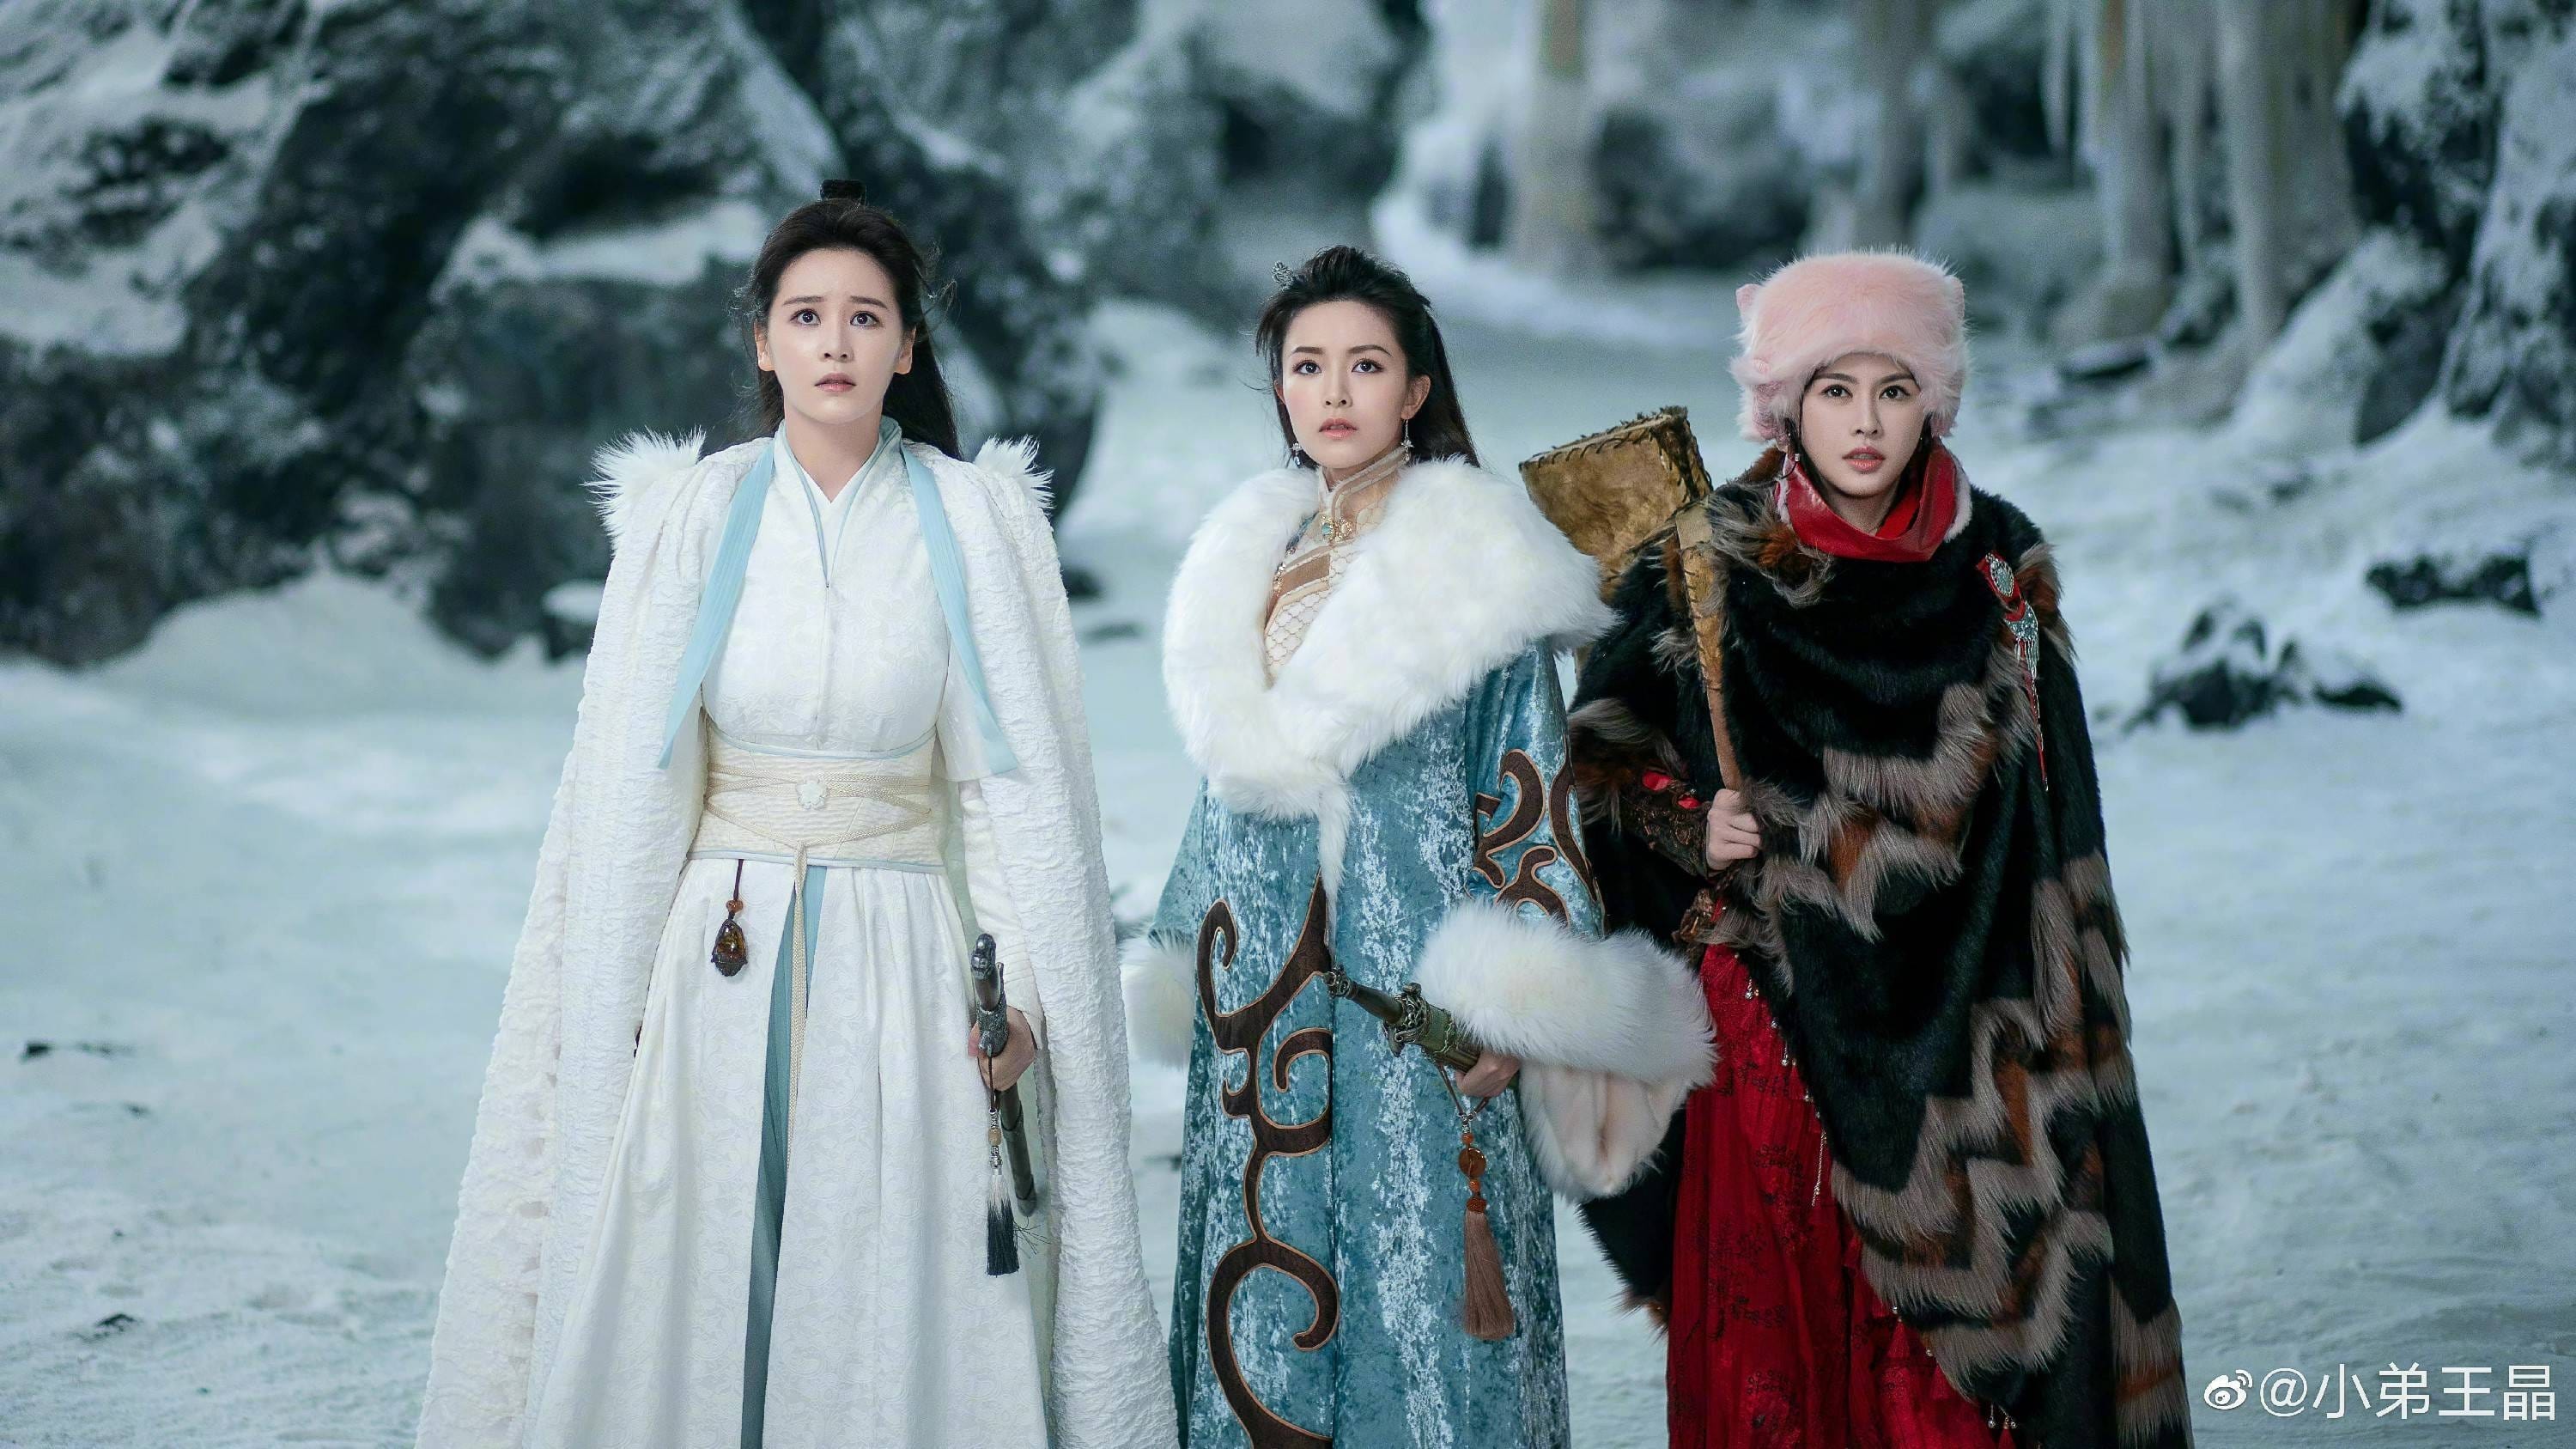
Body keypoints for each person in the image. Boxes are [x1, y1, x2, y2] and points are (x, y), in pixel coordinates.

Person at [414, 184, 1176, 1449]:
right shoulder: (695, 514)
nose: (836, 343)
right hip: (719, 951)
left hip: (904, 954)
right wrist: (616, 994)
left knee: (881, 1267)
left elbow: (1007, 797)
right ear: (762, 342)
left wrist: (1029, 1004)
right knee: (707, 1253)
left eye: (867, 317)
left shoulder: (974, 520)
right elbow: (634, 788)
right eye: (806, 315)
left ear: (908, 347)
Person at [1566, 251, 2192, 1448]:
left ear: (1933, 401)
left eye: (1894, 389)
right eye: (1835, 388)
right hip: (1777, 1030)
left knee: (1960, 1386)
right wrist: (1688, 822)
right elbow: (1596, 763)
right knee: (1785, 1366)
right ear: (1784, 404)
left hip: (1979, 1036)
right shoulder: (1702, 560)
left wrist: (2069, 1028)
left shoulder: (1999, 569)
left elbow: (2060, 826)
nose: (1865, 422)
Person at [1122, 245, 1714, 1446]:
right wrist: (1184, 958)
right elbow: (1223, 799)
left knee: (1427, 1315)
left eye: (1367, 364)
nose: (1335, 390)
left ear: (1417, 388)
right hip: (1259, 1020)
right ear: (1280, 391)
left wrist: (1516, 1007)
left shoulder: (1480, 569)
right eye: (1307, 366)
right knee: (1265, 1303)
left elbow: (1528, 798)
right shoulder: (1245, 564)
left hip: (1422, 1018)